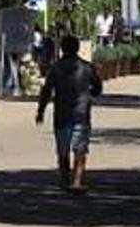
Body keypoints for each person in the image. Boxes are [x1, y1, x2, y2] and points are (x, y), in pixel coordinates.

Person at [35, 35, 103, 191]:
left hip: (61, 114)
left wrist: (41, 111)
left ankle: (65, 179)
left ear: (62, 49)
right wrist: (87, 92)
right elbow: (98, 89)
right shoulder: (87, 68)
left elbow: (46, 91)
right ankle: (77, 181)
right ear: (77, 48)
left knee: (63, 151)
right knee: (80, 149)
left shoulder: (55, 68)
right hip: (81, 113)